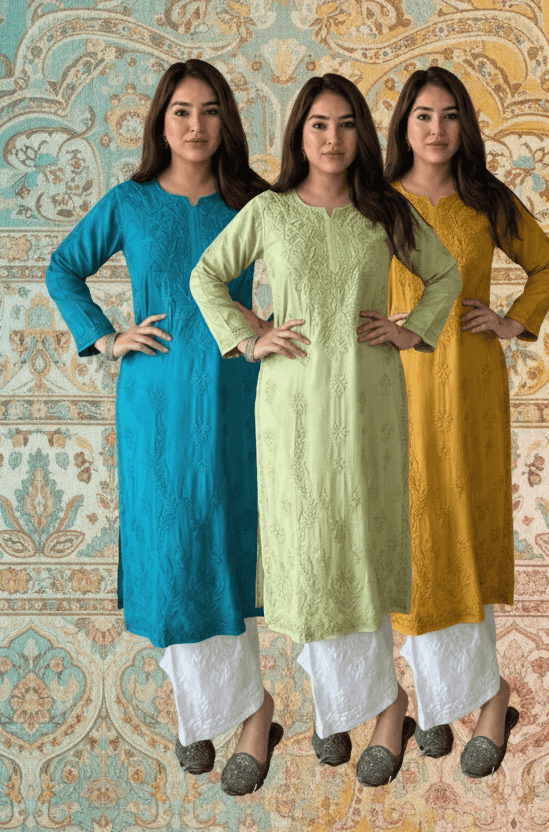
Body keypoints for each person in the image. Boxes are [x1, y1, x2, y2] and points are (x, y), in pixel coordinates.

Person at [189, 73, 462, 788]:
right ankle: (335, 707)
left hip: (369, 405)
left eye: (345, 125)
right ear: (298, 135)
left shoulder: (385, 213)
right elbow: (207, 277)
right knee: (308, 556)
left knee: (360, 548)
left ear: (362, 136)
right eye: (318, 125)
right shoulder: (272, 211)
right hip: (291, 411)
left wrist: (411, 332)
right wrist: (250, 338)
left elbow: (446, 277)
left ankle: (383, 707)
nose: (333, 139)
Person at [44, 59, 280, 795]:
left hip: (233, 392)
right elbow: (63, 268)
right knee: (167, 546)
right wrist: (107, 337)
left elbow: (312, 263)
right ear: (161, 120)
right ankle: (208, 710)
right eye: (182, 111)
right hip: (152, 398)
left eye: (210, 111)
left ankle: (245, 714)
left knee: (218, 539)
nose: (197, 125)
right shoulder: (130, 201)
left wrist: (273, 325)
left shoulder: (253, 202)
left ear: (227, 121)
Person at [383, 66, 549, 777]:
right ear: (403, 125)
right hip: (394, 389)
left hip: (469, 387)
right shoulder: (379, 204)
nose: (436, 129)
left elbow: (547, 265)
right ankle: (430, 700)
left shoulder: (487, 201)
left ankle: (488, 701)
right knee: (405, 534)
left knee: (459, 528)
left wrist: (514, 322)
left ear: (465, 127)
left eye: (449, 115)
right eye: (423, 115)